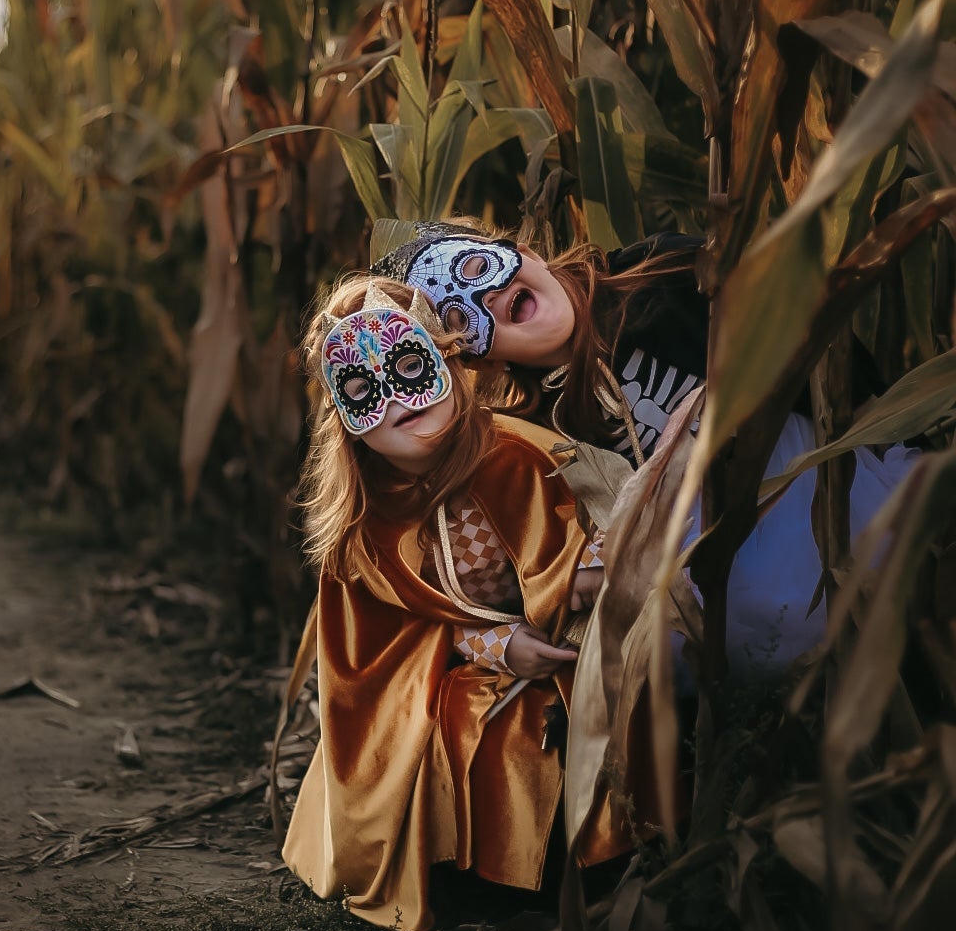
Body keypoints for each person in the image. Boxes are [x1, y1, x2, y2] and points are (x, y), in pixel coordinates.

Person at [374, 221, 914, 676]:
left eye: (473, 269)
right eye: (458, 318)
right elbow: (503, 566)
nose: (485, 298)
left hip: (824, 501)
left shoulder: (668, 274)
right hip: (706, 594)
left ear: (524, 253)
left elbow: (819, 350)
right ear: (476, 360)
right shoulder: (535, 436)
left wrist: (897, 436)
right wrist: (503, 635)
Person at [280, 274, 618, 931]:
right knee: (457, 718)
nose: (395, 397)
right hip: (446, 679)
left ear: (449, 359)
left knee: (543, 724)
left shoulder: (526, 457)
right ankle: (467, 883)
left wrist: (584, 577)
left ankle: (572, 873)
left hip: (572, 655)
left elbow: (592, 550)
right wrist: (496, 644)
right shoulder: (365, 525)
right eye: (360, 391)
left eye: (410, 365)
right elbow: (386, 644)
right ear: (344, 423)